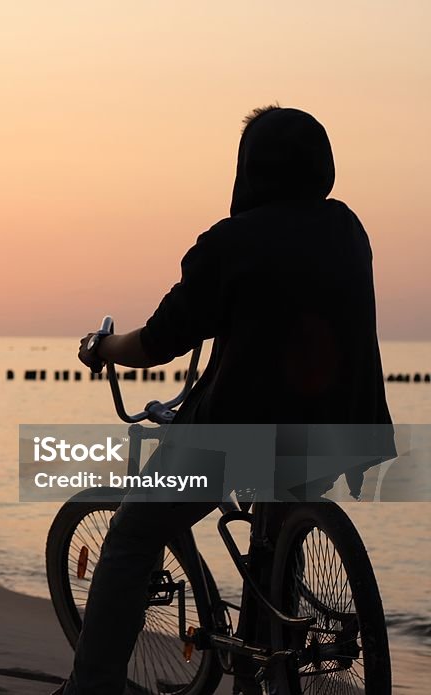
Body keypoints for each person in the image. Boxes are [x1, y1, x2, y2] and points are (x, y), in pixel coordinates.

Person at [54, 106, 393, 694]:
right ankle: (270, 654)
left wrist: (104, 345)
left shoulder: (231, 243)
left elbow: (160, 341)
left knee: (135, 531)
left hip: (239, 435)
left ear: (248, 170)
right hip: (346, 426)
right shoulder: (348, 230)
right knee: (278, 525)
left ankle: (92, 688)